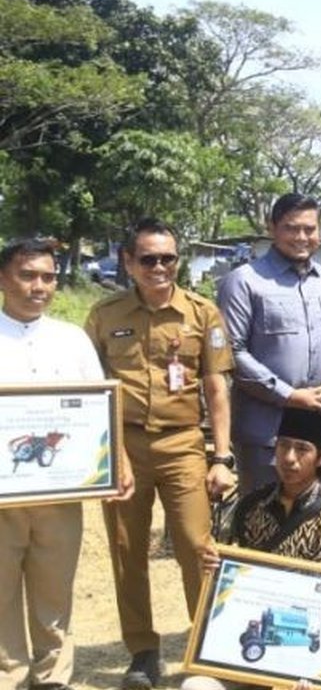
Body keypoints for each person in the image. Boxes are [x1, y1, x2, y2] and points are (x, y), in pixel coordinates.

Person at [84, 218, 236, 690]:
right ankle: (143, 653)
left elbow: (216, 386)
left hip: (182, 443)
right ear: (129, 262)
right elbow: (91, 391)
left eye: (167, 258)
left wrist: (221, 456)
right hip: (123, 445)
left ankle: (207, 648)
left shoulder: (201, 313)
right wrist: (112, 455)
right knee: (128, 551)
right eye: (147, 258)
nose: (159, 267)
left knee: (197, 546)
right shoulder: (104, 315)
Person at [0, 238, 134, 690]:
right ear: (3, 278)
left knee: (54, 593)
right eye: (27, 275)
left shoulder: (71, 339)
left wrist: (119, 462)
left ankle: (53, 677)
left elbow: (102, 409)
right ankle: (10, 676)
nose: (39, 286)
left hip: (60, 495)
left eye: (48, 277)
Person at [181, 408, 321, 690]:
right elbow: (225, 572)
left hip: (304, 651)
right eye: (284, 446)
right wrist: (212, 568)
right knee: (197, 686)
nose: (289, 458)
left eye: (302, 449)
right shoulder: (250, 505)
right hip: (254, 635)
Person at [216, 192, 321, 492]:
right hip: (266, 436)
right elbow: (232, 352)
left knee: (315, 524)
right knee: (261, 524)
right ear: (272, 228)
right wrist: (289, 395)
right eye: (292, 228)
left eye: (310, 229)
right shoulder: (244, 282)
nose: (301, 237)